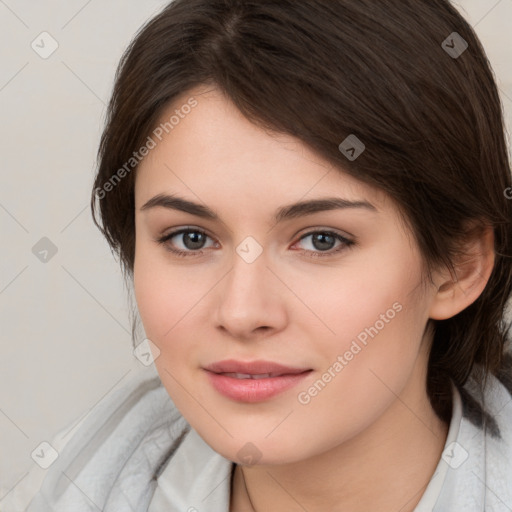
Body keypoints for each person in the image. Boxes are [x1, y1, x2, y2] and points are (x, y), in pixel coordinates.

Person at [7, 0, 512, 510]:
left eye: (322, 240)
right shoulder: (67, 488)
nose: (242, 313)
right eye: (191, 238)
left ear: (458, 266)